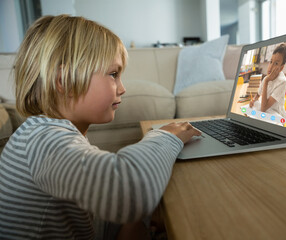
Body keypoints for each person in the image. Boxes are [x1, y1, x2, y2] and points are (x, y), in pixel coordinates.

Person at [0, 15, 201, 240]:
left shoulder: (51, 133)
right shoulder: (43, 139)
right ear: (64, 80)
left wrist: (140, 221)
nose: (122, 88)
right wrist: (165, 136)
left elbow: (90, 220)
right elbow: (129, 192)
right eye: (113, 74)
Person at [249, 43, 286, 121]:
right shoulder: (266, 78)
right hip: (267, 112)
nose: (270, 67)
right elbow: (258, 94)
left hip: (277, 117)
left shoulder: (282, 82)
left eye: (276, 63)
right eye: (271, 61)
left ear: (281, 68)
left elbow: (263, 108)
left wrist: (267, 81)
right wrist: (253, 100)